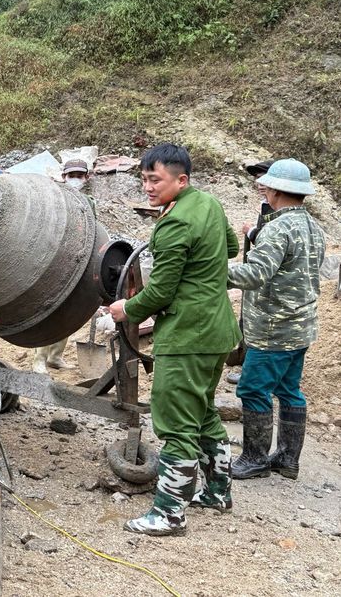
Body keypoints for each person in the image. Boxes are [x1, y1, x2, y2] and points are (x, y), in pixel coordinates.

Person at [109, 143, 240, 536]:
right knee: (202, 412)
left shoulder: (173, 224)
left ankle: (169, 513)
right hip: (218, 331)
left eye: (156, 180)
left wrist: (125, 310)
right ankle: (217, 491)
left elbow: (160, 292)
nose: (148, 187)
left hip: (187, 335)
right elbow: (231, 247)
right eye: (144, 179)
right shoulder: (209, 205)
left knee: (175, 423)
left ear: (181, 180)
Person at [227, 159, 324, 481]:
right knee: (289, 389)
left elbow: (254, 274)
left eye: (267, 185)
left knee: (253, 389)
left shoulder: (278, 228)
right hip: (301, 326)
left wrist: (211, 271)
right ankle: (287, 458)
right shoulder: (312, 226)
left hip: (273, 329)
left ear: (279, 190)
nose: (263, 188)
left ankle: (254, 458)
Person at [33, 159, 95, 373]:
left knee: (69, 312)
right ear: (63, 176)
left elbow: (92, 232)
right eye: (71, 175)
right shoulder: (54, 199)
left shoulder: (89, 202)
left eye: (79, 175)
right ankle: (39, 358)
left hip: (77, 261)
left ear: (86, 177)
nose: (75, 179)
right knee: (49, 310)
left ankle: (55, 356)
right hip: (53, 261)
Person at [225, 159, 275, 383]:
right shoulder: (266, 204)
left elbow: (273, 244)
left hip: (265, 278)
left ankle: (254, 373)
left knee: (260, 325)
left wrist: (253, 231)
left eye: (264, 178)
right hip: (259, 273)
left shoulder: (278, 209)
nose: (259, 183)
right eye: (257, 179)